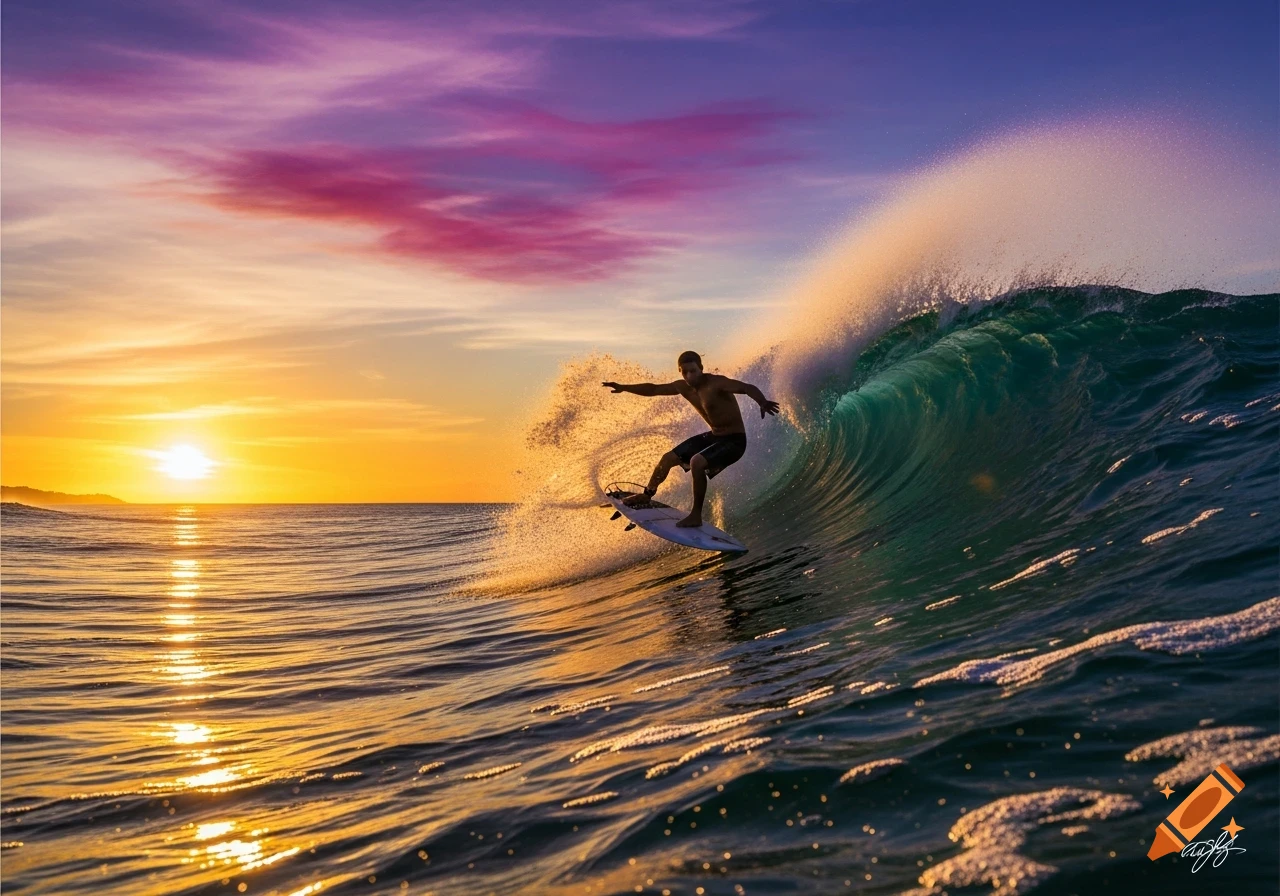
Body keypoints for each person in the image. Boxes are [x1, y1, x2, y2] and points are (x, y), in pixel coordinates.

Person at [602, 350, 780, 527]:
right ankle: (647, 494)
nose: (689, 376)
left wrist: (762, 402)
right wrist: (624, 387)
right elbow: (654, 389)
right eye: (684, 371)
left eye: (693, 371)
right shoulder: (683, 387)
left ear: (701, 368)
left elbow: (747, 388)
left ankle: (696, 516)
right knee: (667, 459)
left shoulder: (717, 383)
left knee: (697, 462)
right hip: (714, 436)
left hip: (734, 441)